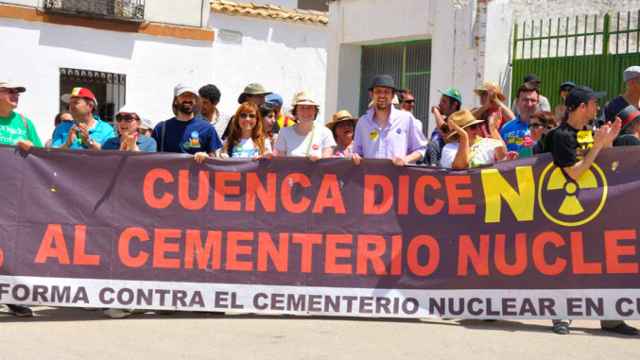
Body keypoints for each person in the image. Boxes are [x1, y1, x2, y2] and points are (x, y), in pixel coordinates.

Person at [544, 87, 635, 337]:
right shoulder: (561, 135)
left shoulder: (588, 132)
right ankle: (562, 315)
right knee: (569, 263)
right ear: (582, 107)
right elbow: (572, 173)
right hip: (566, 209)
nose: (597, 108)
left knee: (607, 261)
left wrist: (608, 142)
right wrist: (597, 147)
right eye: (594, 103)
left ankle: (612, 318)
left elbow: (598, 165)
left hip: (595, 206)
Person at [0, 81, 41, 317]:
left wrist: (29, 147)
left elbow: (40, 155)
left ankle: (13, 297)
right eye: (10, 91)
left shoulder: (25, 122)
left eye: (18, 93)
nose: (15, 96)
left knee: (12, 244)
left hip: (15, 193)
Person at [352, 75, 427, 166]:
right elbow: (357, 152)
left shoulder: (406, 119)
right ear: (371, 95)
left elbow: (421, 149)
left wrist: (405, 159)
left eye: (386, 92)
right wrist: (355, 157)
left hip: (398, 178)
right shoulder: (362, 122)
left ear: (392, 96)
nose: (382, 95)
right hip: (370, 178)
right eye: (378, 91)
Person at [153, 84, 222, 156]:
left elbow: (214, 160)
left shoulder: (207, 129)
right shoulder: (161, 129)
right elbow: (150, 158)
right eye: (184, 95)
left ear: (195, 100)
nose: (188, 99)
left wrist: (206, 156)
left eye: (191, 96)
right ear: (176, 100)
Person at [196, 102, 270, 162]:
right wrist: (204, 156)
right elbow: (215, 160)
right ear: (238, 119)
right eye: (243, 115)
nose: (247, 119)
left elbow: (272, 165)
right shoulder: (228, 142)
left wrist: (268, 157)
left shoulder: (264, 141)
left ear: (257, 120)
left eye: (252, 116)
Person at [274, 91, 335, 159]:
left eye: (310, 107)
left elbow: (327, 163)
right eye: (302, 107)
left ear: (315, 111)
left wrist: (318, 161)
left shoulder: (326, 133)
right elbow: (280, 163)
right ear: (295, 111)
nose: (306, 111)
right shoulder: (284, 133)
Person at [440, 110, 508, 169]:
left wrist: (493, 130)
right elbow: (459, 167)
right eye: (473, 127)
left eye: (477, 125)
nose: (477, 129)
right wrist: (464, 138)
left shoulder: (487, 143)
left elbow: (503, 158)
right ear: (458, 132)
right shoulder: (449, 148)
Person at [500, 84, 540, 158]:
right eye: (525, 100)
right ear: (517, 102)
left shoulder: (545, 129)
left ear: (538, 103)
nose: (529, 104)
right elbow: (500, 157)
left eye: (533, 100)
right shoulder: (506, 129)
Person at [426, 88, 463, 166]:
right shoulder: (444, 119)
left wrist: (436, 112)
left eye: (444, 101)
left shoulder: (459, 121)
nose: (439, 104)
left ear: (454, 105)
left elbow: (446, 133)